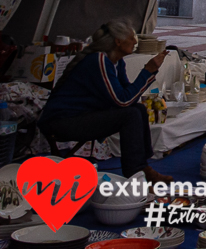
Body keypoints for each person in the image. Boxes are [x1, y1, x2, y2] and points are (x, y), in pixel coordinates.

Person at [41, 20, 168, 181]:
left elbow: (128, 96)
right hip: (62, 121)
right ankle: (135, 174)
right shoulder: (99, 60)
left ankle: (143, 167)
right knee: (130, 115)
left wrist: (149, 72)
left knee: (139, 109)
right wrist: (147, 71)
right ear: (118, 41)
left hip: (84, 115)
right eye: (131, 38)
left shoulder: (116, 62)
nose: (135, 42)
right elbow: (122, 101)